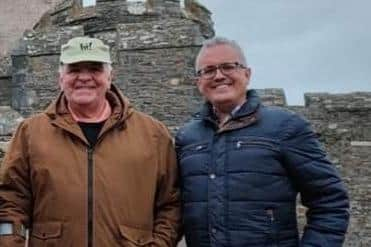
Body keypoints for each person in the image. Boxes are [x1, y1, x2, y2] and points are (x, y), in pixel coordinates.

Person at [0, 37, 181, 246]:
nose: (84, 77)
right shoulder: (31, 133)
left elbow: (171, 204)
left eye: (95, 69)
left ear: (110, 76)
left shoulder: (153, 134)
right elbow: (10, 200)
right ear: (60, 78)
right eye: (74, 69)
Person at [175, 36, 350, 247]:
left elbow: (330, 200)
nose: (219, 76)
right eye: (208, 70)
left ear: (247, 74)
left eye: (228, 67)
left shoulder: (286, 128)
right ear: (198, 82)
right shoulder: (187, 137)